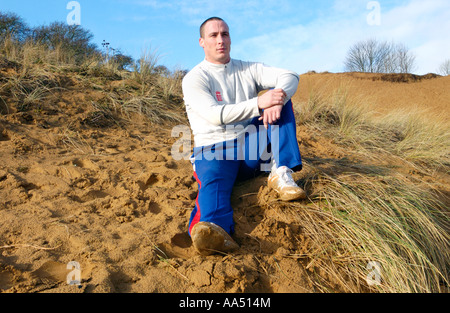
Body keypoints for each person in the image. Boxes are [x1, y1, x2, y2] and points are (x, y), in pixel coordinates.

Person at [182, 17, 306, 256]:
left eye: (225, 34)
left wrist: (276, 98)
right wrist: (260, 103)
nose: (221, 40)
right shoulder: (195, 78)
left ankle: (281, 172)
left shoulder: (247, 68)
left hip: (250, 147)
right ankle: (217, 231)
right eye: (214, 35)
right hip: (214, 149)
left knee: (281, 97)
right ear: (201, 42)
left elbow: (291, 75)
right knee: (213, 191)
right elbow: (214, 114)